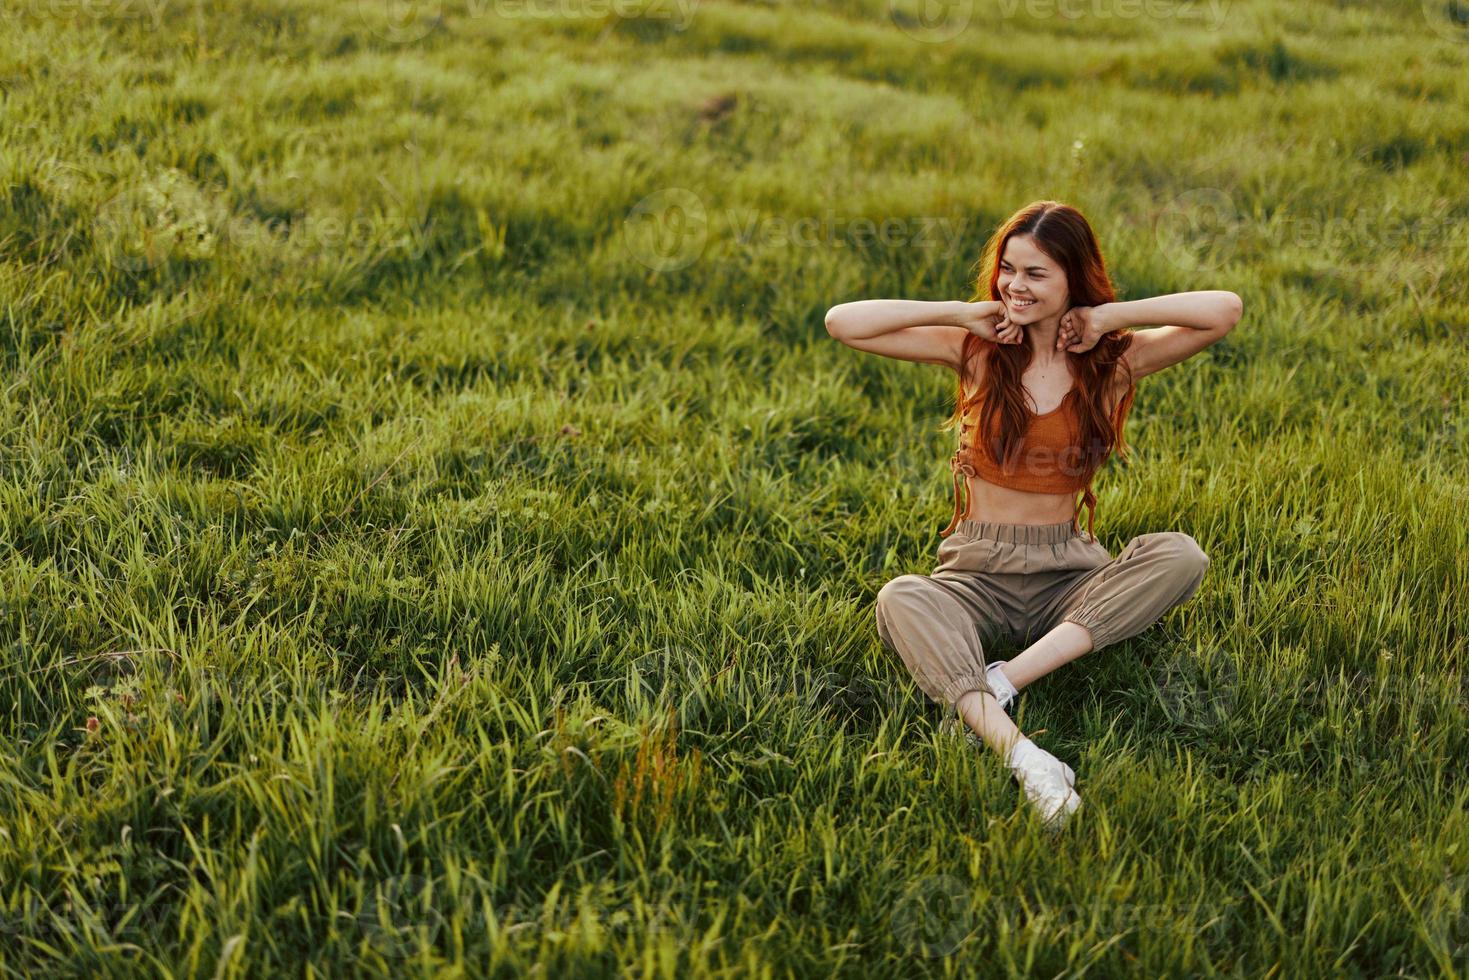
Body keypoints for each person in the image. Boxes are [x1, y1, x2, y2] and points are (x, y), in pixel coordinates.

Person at [824, 200, 1242, 830]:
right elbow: (843, 322)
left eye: (1037, 274)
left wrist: (1108, 318)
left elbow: (1223, 311)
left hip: (1067, 578)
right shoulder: (976, 352)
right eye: (1008, 270)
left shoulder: (1111, 363)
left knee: (1181, 555)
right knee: (902, 597)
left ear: (1074, 279)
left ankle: (1002, 682)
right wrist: (961, 312)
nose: (1014, 286)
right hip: (975, 577)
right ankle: (1027, 759)